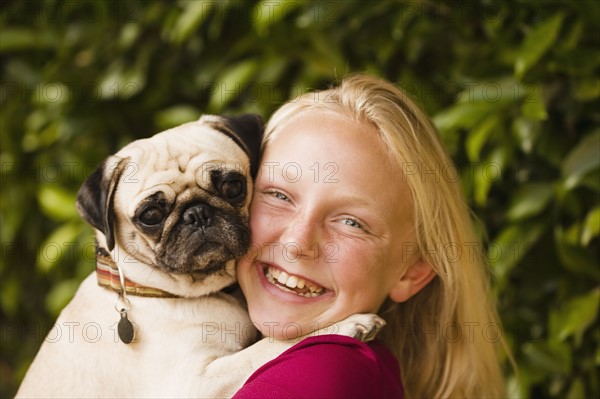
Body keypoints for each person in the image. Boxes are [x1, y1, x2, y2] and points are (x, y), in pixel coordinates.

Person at [234, 74, 507, 398]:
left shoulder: (319, 376)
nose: (297, 243)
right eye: (278, 196)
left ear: (412, 271)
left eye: (351, 222)